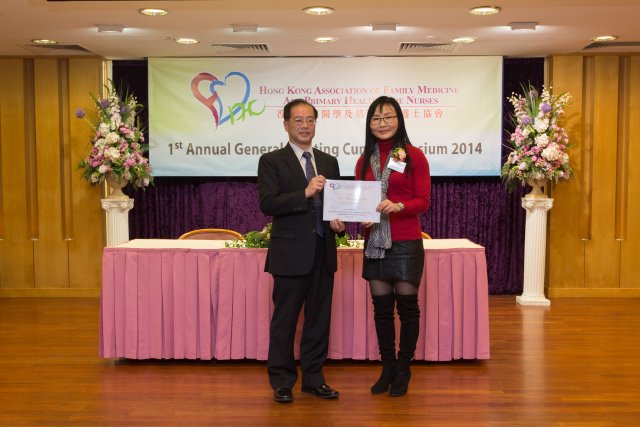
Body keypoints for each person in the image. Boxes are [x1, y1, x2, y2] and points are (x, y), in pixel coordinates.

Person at [258, 99, 346, 403]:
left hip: (324, 252)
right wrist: (305, 192)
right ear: (286, 125)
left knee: (318, 322)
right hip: (290, 255)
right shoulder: (271, 161)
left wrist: (339, 224)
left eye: (310, 120)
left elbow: (336, 205)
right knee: (284, 322)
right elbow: (268, 203)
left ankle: (314, 379)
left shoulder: (329, 161)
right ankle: (282, 381)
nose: (305, 125)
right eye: (298, 120)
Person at [355, 96, 431, 397]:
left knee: (408, 309)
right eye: (376, 118)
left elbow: (423, 201)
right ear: (369, 124)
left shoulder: (414, 156)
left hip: (406, 242)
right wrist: (361, 215)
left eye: (388, 117)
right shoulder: (364, 160)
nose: (382, 123)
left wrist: (398, 205)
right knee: (382, 310)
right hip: (375, 242)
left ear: (399, 119)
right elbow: (361, 201)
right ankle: (387, 367)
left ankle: (403, 368)